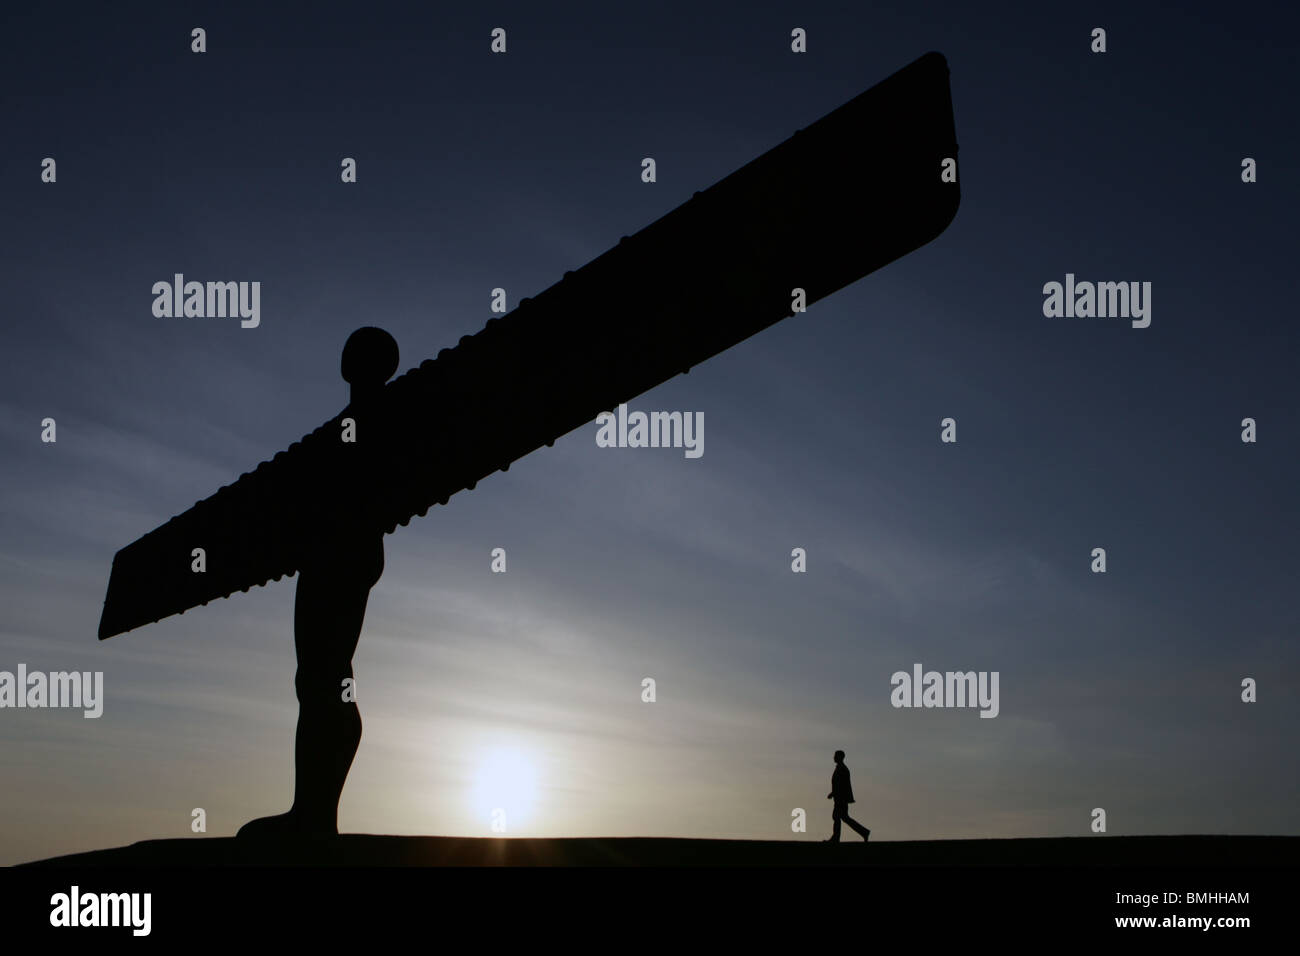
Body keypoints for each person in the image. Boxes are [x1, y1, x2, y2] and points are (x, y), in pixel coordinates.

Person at [237, 328, 397, 839]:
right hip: (334, 550)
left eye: (360, 350)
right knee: (318, 678)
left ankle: (313, 816)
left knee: (325, 677)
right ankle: (312, 811)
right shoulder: (350, 425)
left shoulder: (380, 418)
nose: (349, 357)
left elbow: (364, 487)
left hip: (343, 550)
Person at [826, 749, 870, 843]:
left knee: (837, 816)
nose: (833, 757)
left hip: (841, 798)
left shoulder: (842, 769)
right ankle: (864, 832)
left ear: (839, 757)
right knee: (843, 817)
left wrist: (833, 793)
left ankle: (836, 838)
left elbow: (841, 785)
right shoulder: (840, 768)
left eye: (835, 756)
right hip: (840, 798)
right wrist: (833, 793)